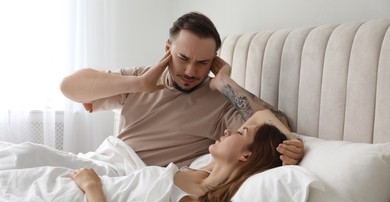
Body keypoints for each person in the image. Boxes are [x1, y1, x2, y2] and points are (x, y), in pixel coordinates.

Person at [60, 12, 304, 168]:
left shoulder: (220, 101)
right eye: (183, 57)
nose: (190, 71)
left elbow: (278, 127)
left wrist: (225, 83)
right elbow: (69, 88)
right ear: (168, 48)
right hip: (106, 161)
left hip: (138, 177)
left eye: (202, 63)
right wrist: (138, 84)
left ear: (214, 60)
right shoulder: (143, 77)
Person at [70, 110, 290, 202]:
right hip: (82, 184)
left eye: (240, 132)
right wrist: (292, 141)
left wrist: (92, 186)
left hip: (84, 198)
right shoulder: (204, 171)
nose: (228, 130)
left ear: (246, 156)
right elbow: (262, 115)